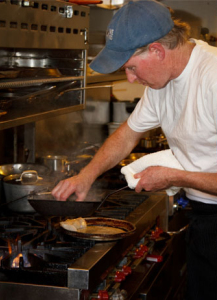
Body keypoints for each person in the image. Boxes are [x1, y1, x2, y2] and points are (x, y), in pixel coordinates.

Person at [52, 1, 217, 299]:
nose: (130, 78)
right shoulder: (161, 83)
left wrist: (173, 176)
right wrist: (85, 176)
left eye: (130, 67)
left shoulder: (212, 78)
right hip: (204, 215)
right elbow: (127, 134)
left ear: (156, 50)